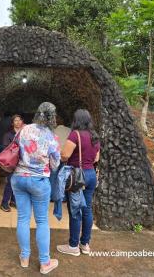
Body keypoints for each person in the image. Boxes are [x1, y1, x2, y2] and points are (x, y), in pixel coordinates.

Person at [11, 102, 61, 275]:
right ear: (52, 117)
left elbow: (15, 150)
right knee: (41, 221)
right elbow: (55, 165)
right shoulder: (51, 137)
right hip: (39, 181)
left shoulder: (23, 130)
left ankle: (24, 258)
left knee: (23, 218)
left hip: (18, 178)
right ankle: (45, 262)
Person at [57, 109, 100, 256]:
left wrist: (60, 153)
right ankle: (85, 244)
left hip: (77, 176)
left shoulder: (75, 134)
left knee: (75, 211)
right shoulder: (94, 135)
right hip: (91, 175)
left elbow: (65, 156)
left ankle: (73, 246)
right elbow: (96, 159)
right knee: (87, 210)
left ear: (76, 120)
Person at [0, 114, 24, 212]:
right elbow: (5, 148)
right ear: (12, 123)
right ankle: (4, 203)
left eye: (19, 120)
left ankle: (13, 201)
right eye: (15, 120)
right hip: (12, 162)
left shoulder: (24, 133)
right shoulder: (8, 135)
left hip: (22, 162)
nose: (18, 122)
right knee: (10, 182)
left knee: (17, 182)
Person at [0, 114, 12, 188]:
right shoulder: (12, 123)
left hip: (0, 145)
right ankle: (8, 183)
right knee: (10, 164)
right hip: (9, 147)